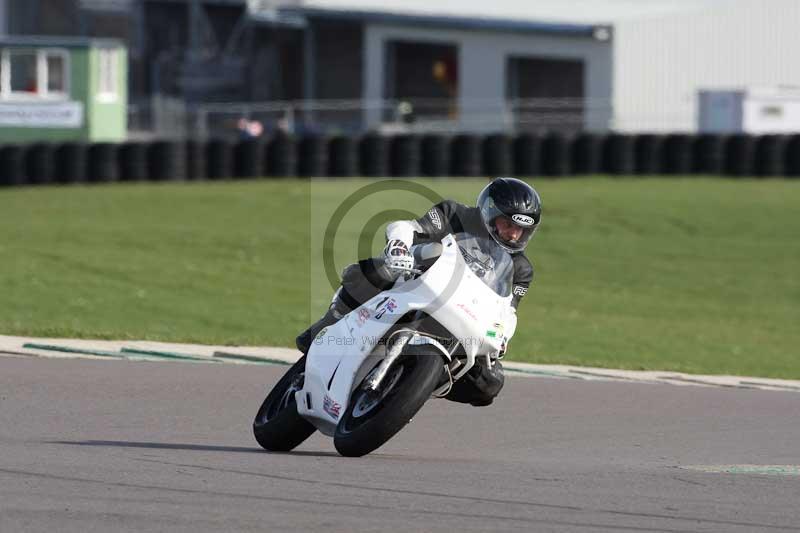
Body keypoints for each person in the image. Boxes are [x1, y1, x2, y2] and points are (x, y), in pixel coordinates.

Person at [296, 177, 542, 406]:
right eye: (508, 224)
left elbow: (508, 309)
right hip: (415, 281)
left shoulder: (521, 268)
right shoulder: (454, 214)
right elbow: (409, 227)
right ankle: (328, 324)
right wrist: (399, 246)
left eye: (521, 230)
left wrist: (502, 337)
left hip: (463, 314)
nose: (513, 234)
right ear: (490, 212)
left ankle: (417, 384)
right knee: (376, 272)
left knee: (490, 382)